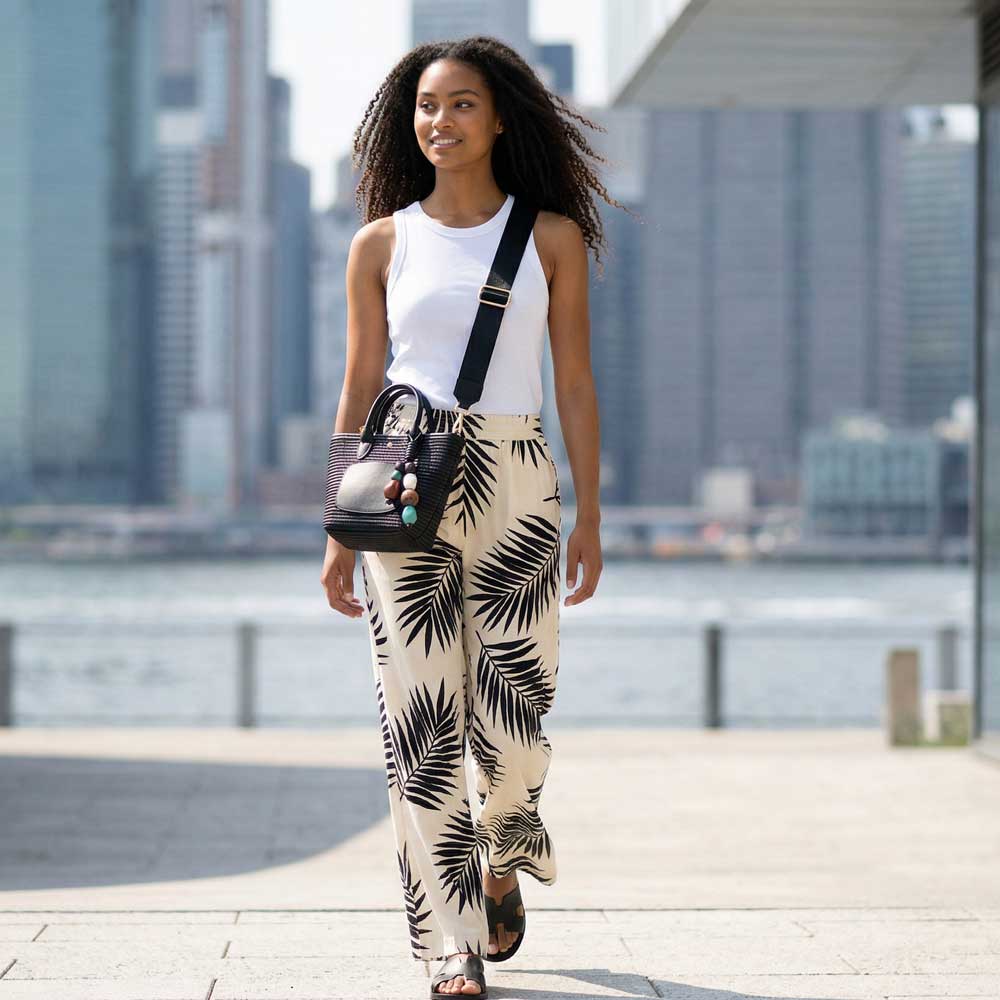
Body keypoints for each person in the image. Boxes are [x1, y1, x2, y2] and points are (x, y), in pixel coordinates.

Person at [320, 35, 626, 997]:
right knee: (420, 720)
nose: (438, 121)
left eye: (459, 104)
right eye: (423, 105)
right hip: (403, 479)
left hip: (518, 482)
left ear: (499, 119)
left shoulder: (550, 238)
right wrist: (338, 526)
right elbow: (361, 383)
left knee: (517, 712)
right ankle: (447, 942)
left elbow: (573, 380)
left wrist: (591, 513)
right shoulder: (380, 243)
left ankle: (506, 846)